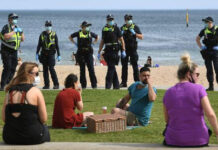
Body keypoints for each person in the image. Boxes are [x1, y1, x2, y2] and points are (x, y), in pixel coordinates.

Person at [163, 53, 218, 147]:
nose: (198, 77)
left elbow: (167, 120)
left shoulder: (168, 93)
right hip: (198, 140)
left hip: (173, 140)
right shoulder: (199, 89)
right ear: (189, 74)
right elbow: (210, 114)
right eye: (197, 74)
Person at [1, 62, 50, 144]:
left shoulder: (9, 93)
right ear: (27, 74)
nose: (37, 76)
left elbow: (4, 118)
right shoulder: (35, 92)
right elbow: (44, 119)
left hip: (10, 136)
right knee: (45, 128)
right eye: (36, 73)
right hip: (32, 136)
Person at [98, 14, 126, 89]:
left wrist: (123, 50)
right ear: (107, 20)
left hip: (114, 50)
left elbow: (122, 40)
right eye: (109, 19)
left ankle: (108, 86)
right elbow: (102, 41)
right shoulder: (104, 29)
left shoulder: (116, 28)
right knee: (112, 67)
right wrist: (99, 51)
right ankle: (116, 86)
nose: (111, 21)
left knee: (111, 68)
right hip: (107, 50)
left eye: (112, 19)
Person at [69, 21, 98, 89]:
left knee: (91, 69)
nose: (87, 27)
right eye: (86, 26)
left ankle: (94, 85)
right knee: (82, 70)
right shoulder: (78, 33)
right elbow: (70, 37)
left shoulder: (90, 33)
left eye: (88, 26)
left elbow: (97, 37)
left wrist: (93, 43)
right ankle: (83, 85)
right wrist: (75, 43)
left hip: (89, 53)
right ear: (83, 27)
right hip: (81, 53)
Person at [0, 13, 25, 90]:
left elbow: (22, 39)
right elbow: (5, 36)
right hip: (6, 50)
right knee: (7, 67)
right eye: (13, 18)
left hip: (14, 51)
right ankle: (2, 85)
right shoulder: (6, 27)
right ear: (9, 19)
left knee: (13, 68)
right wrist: (14, 31)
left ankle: (9, 83)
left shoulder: (17, 28)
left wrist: (22, 32)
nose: (15, 19)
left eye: (16, 18)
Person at [120, 14, 143, 88]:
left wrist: (135, 33)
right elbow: (118, 38)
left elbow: (141, 37)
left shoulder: (135, 27)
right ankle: (124, 82)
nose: (129, 20)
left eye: (130, 19)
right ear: (125, 20)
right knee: (124, 67)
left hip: (133, 49)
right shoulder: (122, 27)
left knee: (135, 66)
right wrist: (121, 34)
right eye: (127, 19)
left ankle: (137, 82)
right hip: (124, 50)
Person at [36, 20, 60, 89]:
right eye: (47, 25)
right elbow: (39, 45)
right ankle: (47, 85)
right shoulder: (42, 34)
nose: (48, 27)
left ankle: (56, 84)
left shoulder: (54, 34)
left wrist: (59, 55)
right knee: (45, 70)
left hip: (51, 54)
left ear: (51, 26)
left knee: (52, 69)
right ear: (45, 26)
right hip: (43, 54)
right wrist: (37, 53)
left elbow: (57, 45)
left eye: (49, 25)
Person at [196, 16, 218, 91]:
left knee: (217, 68)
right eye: (205, 22)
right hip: (207, 51)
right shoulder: (204, 30)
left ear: (210, 22)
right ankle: (211, 86)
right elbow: (197, 38)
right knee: (209, 70)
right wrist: (201, 47)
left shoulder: (217, 29)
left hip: (216, 51)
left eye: (206, 22)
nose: (205, 23)